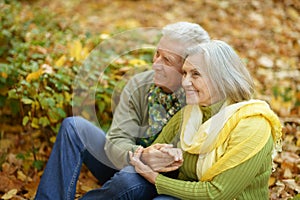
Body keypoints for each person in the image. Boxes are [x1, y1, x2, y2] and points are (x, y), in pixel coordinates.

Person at [34, 22, 210, 199]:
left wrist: (156, 165)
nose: (156, 64)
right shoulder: (139, 85)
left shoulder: (201, 98)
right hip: (126, 163)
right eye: (157, 53)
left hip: (170, 183)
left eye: (167, 61)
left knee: (129, 181)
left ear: (188, 68)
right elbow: (116, 140)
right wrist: (141, 156)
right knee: (74, 127)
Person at [129, 40, 282, 199]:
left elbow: (217, 193)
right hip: (187, 194)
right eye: (184, 73)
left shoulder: (253, 124)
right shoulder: (190, 114)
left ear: (222, 78)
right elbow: (149, 159)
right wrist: (152, 156)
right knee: (127, 181)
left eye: (195, 74)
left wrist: (156, 179)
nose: (186, 82)